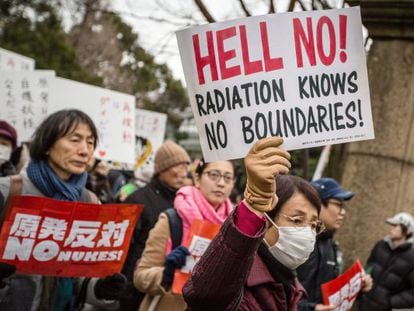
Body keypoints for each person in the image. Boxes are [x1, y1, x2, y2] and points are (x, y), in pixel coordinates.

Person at [0, 109, 127, 311]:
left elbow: (79, 277)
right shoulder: (8, 192)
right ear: (47, 145)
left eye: (91, 142)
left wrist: (100, 288)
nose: (85, 150)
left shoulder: (90, 202)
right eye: (75, 140)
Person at [183, 136, 323, 310]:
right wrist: (254, 205)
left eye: (313, 225)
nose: (307, 233)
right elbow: (205, 296)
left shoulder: (291, 287)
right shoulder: (237, 284)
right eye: (296, 220)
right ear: (266, 219)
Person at [134, 159, 235, 310]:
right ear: (197, 179)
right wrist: (166, 274)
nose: (221, 183)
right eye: (214, 175)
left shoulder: (234, 227)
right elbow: (140, 277)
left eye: (227, 178)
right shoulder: (173, 220)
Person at [120, 140, 191, 310]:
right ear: (162, 169)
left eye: (186, 167)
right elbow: (122, 248)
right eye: (178, 166)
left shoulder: (183, 202)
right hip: (132, 288)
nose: (184, 173)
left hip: (162, 290)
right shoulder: (138, 200)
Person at [297, 177, 371, 310]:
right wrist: (311, 309)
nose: (343, 212)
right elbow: (276, 293)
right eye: (338, 204)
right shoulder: (294, 240)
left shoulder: (330, 245)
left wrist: (357, 289)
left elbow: (329, 292)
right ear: (318, 204)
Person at [359, 212, 414, 311]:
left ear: (407, 231)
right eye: (391, 225)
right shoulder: (380, 245)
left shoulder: (411, 259)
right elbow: (369, 268)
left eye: (395, 225)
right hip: (363, 305)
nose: (391, 228)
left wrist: (390, 302)